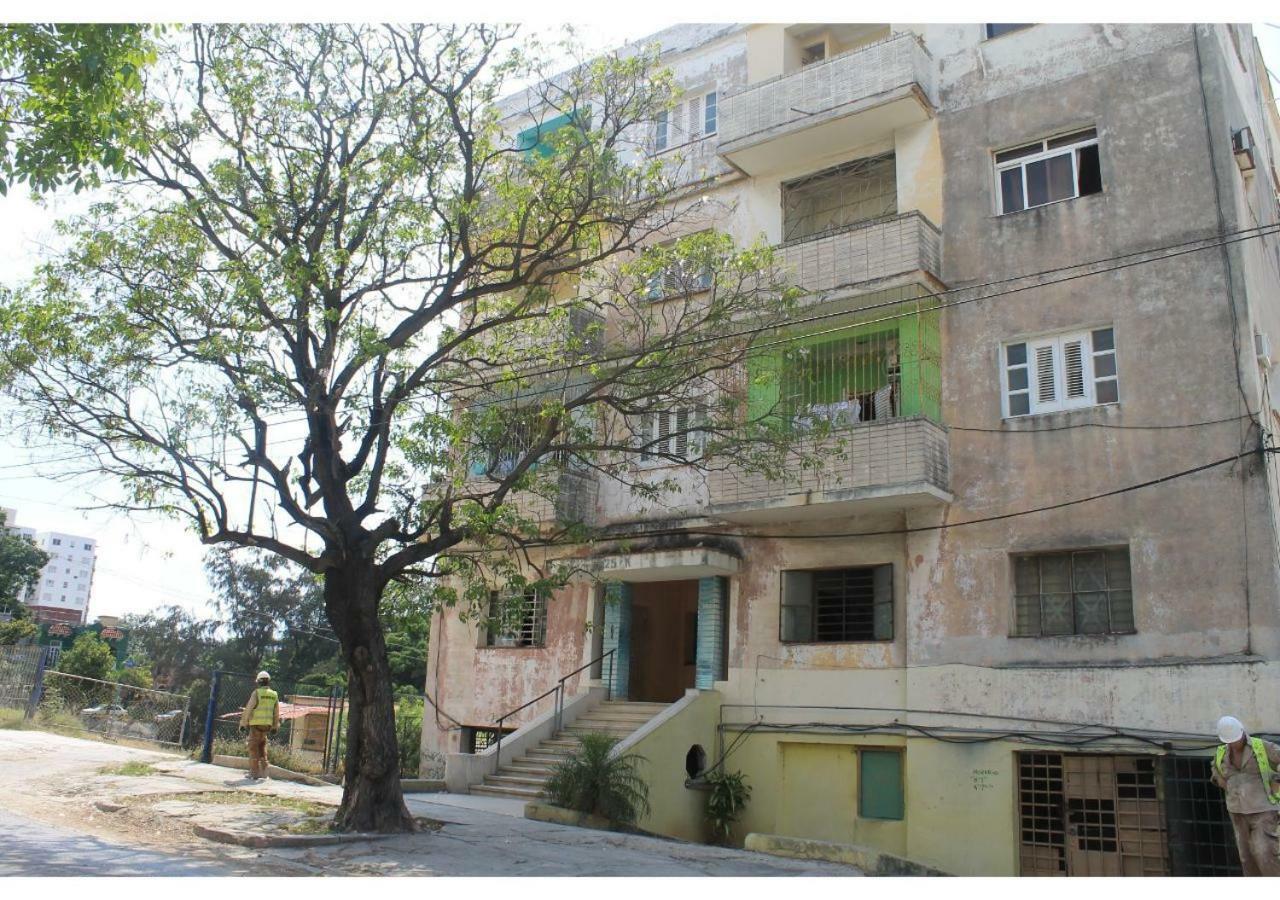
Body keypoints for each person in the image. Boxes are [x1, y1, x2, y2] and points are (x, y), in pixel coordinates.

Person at [1210, 715, 1280, 876]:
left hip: (1262, 809)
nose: (1234, 743)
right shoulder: (1221, 752)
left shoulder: (1261, 747)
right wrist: (1223, 782)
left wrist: (1277, 780)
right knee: (1246, 856)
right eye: (1230, 741)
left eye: (1235, 739)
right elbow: (1215, 771)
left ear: (1242, 732)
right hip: (1237, 810)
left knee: (1264, 852)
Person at [238, 671, 280, 780]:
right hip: (266, 727)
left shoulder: (256, 693)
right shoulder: (274, 694)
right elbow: (276, 713)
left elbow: (248, 709)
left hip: (256, 725)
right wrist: (275, 726)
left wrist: (243, 724)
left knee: (253, 748)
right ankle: (265, 773)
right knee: (262, 748)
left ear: (259, 681)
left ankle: (253, 774)